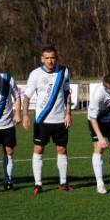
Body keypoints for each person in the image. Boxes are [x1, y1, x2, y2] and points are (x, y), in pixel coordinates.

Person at [22, 45, 74, 193]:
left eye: (52, 57)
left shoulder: (63, 71)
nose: (50, 61)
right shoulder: (35, 74)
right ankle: (38, 184)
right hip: (42, 120)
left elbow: (67, 93)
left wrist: (68, 113)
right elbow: (26, 97)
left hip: (60, 119)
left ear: (56, 58)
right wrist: (25, 115)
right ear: (42, 59)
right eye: (47, 58)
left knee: (62, 149)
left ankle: (63, 182)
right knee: (38, 149)